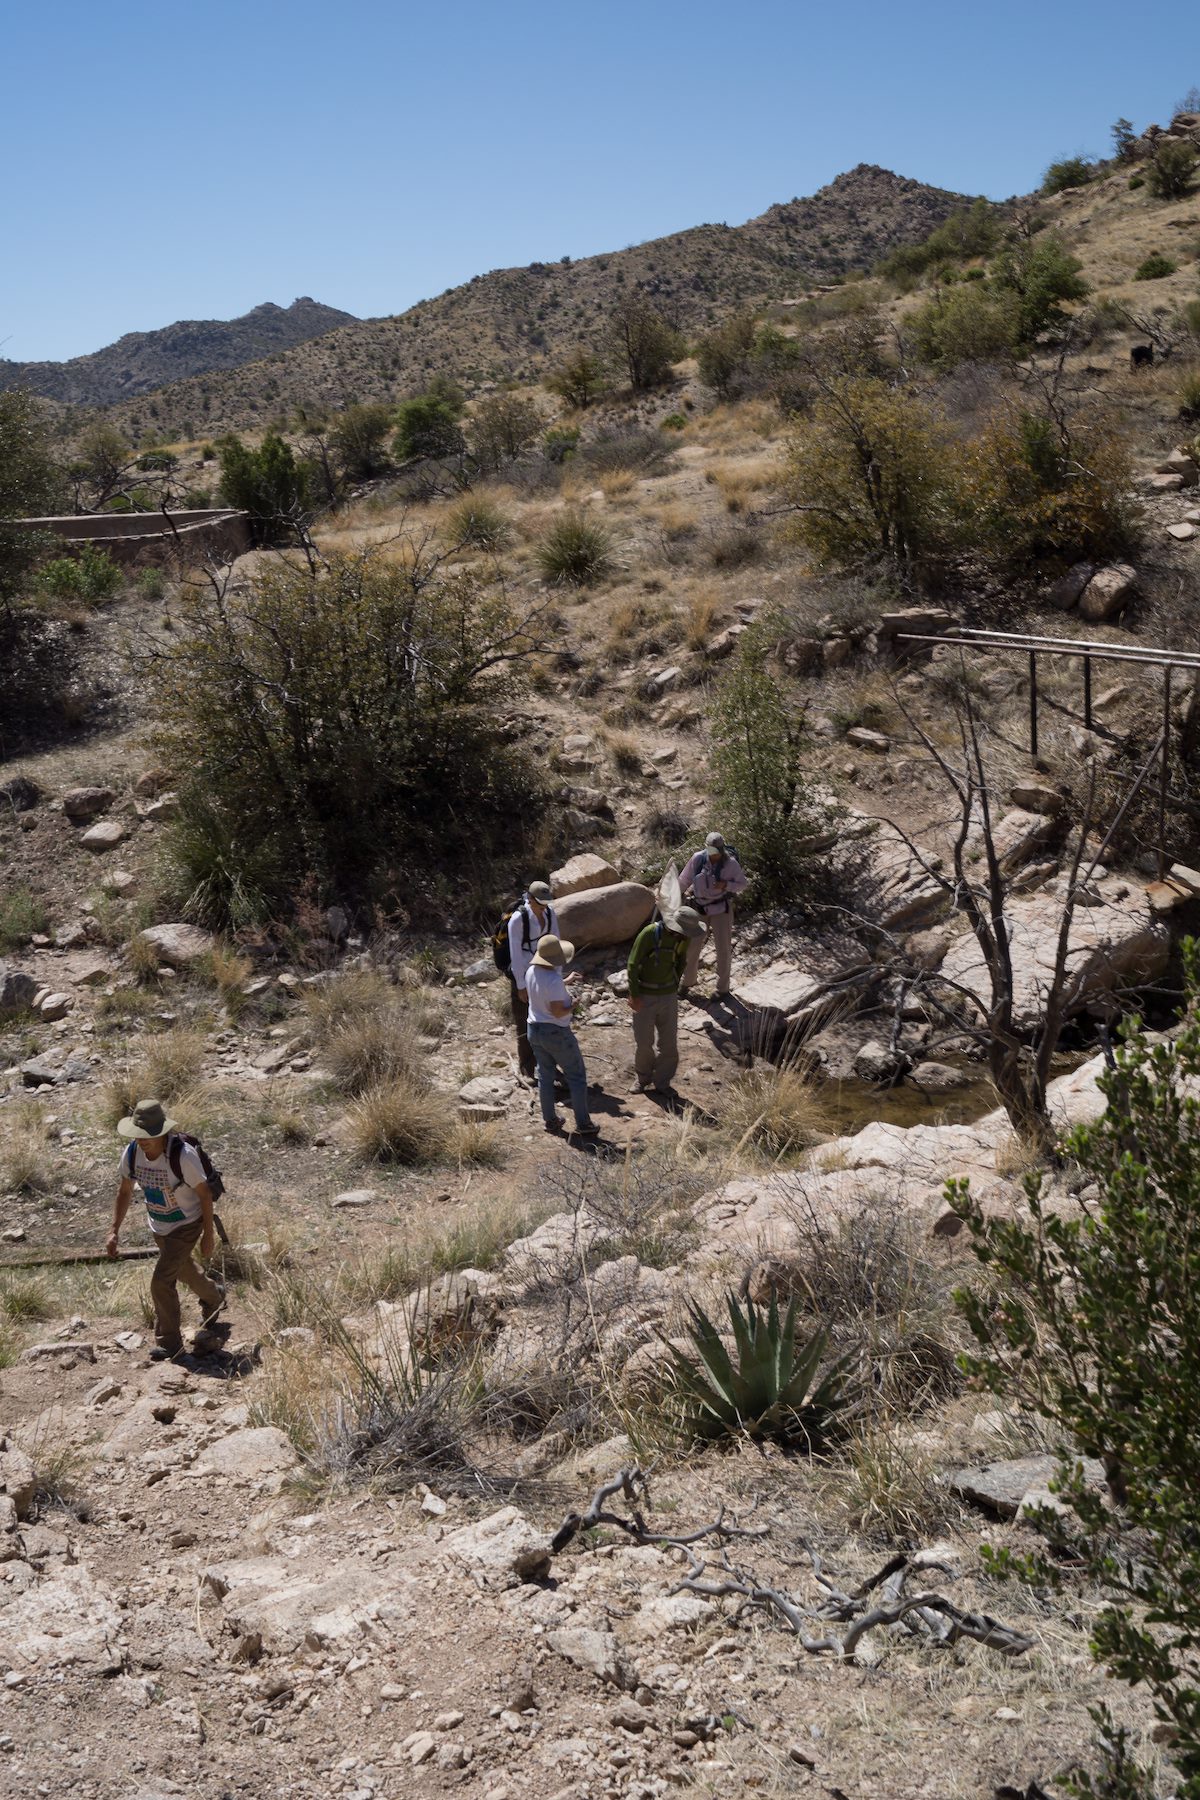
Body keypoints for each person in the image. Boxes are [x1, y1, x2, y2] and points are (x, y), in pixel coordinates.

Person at [107, 1098, 226, 1361]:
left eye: (149, 1135)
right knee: (184, 1271)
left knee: (161, 1280)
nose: (142, 1140)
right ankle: (214, 1296)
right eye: (139, 1135)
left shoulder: (182, 1155)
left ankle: (169, 1343)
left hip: (187, 1224)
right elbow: (125, 1191)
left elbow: (205, 1195)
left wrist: (208, 1234)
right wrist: (114, 1229)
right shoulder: (131, 1154)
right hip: (159, 1227)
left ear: (162, 1132)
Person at [524, 935, 600, 1138]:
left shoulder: (531, 971)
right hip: (556, 1032)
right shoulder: (554, 980)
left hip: (534, 1029)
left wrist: (565, 981)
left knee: (545, 1077)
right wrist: (573, 1004)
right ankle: (583, 1123)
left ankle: (550, 1121)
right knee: (576, 1077)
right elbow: (558, 1011)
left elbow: (543, 990)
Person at [627, 905, 705, 1094]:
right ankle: (642, 1078)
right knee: (644, 1043)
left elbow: (680, 962)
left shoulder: (682, 939)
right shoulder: (649, 933)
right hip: (645, 996)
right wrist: (634, 995)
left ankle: (662, 1082)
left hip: (668, 996)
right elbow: (632, 963)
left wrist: (674, 986)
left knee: (669, 1044)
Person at [679, 831, 749, 998]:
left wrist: (726, 885)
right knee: (692, 946)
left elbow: (742, 884)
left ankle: (722, 989)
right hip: (700, 907)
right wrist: (672, 895)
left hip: (721, 909)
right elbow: (684, 879)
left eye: (717, 851)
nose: (714, 855)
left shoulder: (730, 864)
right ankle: (687, 982)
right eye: (712, 850)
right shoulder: (697, 859)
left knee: (723, 948)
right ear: (706, 848)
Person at [508, 879, 559, 1083]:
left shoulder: (549, 913)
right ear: (530, 899)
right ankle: (527, 1068)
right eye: (539, 902)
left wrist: (557, 974)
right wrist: (520, 985)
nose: (543, 906)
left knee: (546, 1019)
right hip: (524, 975)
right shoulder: (518, 920)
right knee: (523, 1021)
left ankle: (547, 1065)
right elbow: (515, 956)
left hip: (544, 973)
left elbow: (556, 943)